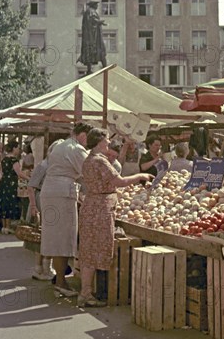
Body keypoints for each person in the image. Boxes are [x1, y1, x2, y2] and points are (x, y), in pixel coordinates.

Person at [78, 128, 153, 307]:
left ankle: (85, 292)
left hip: (91, 205)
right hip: (100, 209)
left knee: (89, 249)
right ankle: (87, 293)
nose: (109, 143)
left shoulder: (89, 160)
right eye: (106, 141)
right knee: (97, 247)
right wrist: (140, 176)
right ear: (99, 142)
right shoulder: (99, 161)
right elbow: (119, 181)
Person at [40, 122, 93, 297]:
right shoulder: (76, 149)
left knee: (56, 238)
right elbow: (89, 173)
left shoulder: (61, 145)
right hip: (62, 194)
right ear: (82, 135)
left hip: (51, 191)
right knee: (63, 238)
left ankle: (60, 279)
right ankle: (61, 282)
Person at [27, 140, 63, 281]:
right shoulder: (43, 166)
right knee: (43, 236)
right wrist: (34, 207)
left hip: (50, 202)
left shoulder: (55, 166)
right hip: (42, 201)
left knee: (48, 237)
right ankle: (40, 268)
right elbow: (31, 187)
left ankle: (46, 267)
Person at [0, 141, 27, 234]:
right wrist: (29, 178)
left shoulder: (4, 159)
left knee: (3, 202)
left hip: (3, 182)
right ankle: (8, 227)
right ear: (14, 148)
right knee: (9, 203)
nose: (19, 150)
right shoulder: (13, 160)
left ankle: (4, 227)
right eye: (18, 148)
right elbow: (19, 173)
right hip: (11, 183)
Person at [78, 0, 107, 74]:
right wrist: (99, 22)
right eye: (96, 4)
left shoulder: (90, 11)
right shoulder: (90, 11)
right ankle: (102, 67)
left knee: (92, 51)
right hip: (92, 36)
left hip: (93, 35)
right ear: (93, 5)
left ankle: (90, 69)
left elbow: (92, 20)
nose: (97, 6)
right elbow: (92, 20)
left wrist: (99, 23)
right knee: (94, 50)